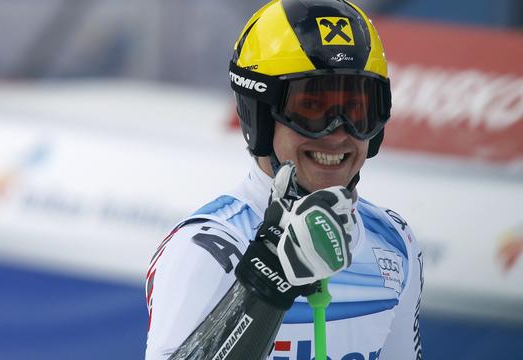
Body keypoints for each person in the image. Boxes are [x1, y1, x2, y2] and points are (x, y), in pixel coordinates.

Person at [145, 0, 423, 359]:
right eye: (310, 108)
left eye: (357, 110)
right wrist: (263, 286)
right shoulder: (207, 249)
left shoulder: (393, 241)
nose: (338, 133)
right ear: (258, 116)